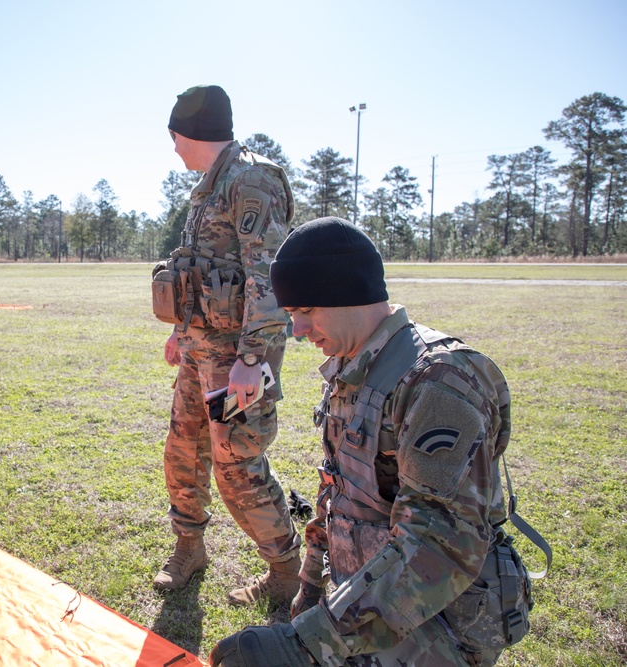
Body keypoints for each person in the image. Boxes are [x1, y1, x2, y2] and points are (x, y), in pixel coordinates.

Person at [210, 217, 534, 666]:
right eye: (290, 317)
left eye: (306, 312)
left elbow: (439, 545)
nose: (298, 332)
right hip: (369, 601)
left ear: (348, 294)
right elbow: (337, 492)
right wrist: (310, 595)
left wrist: (308, 643)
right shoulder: (352, 365)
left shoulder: (440, 383)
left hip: (441, 618)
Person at [151, 85, 302, 608]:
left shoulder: (251, 180)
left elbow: (269, 275)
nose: (172, 149)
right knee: (182, 448)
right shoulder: (209, 188)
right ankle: (188, 546)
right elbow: (200, 269)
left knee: (237, 462)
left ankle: (286, 570)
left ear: (187, 133)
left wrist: (251, 359)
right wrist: (179, 330)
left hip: (238, 360)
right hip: (200, 352)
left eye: (173, 138)